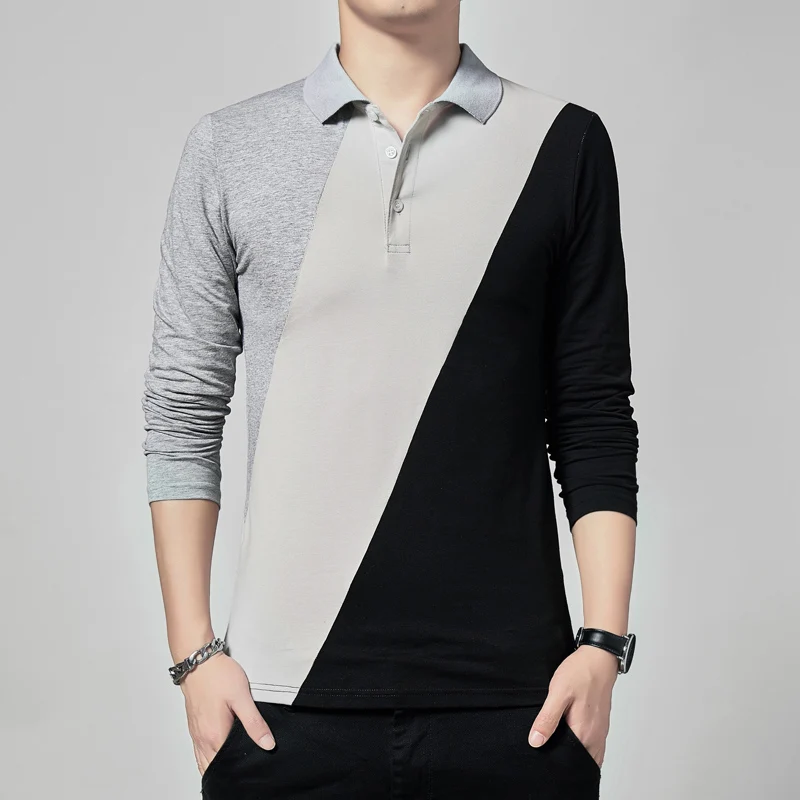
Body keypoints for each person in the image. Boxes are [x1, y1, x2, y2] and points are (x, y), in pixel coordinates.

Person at [141, 1, 639, 797]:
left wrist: (603, 646)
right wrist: (194, 657)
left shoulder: (563, 142)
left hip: (519, 711)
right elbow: (182, 411)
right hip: (280, 711)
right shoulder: (229, 148)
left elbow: (593, 412)